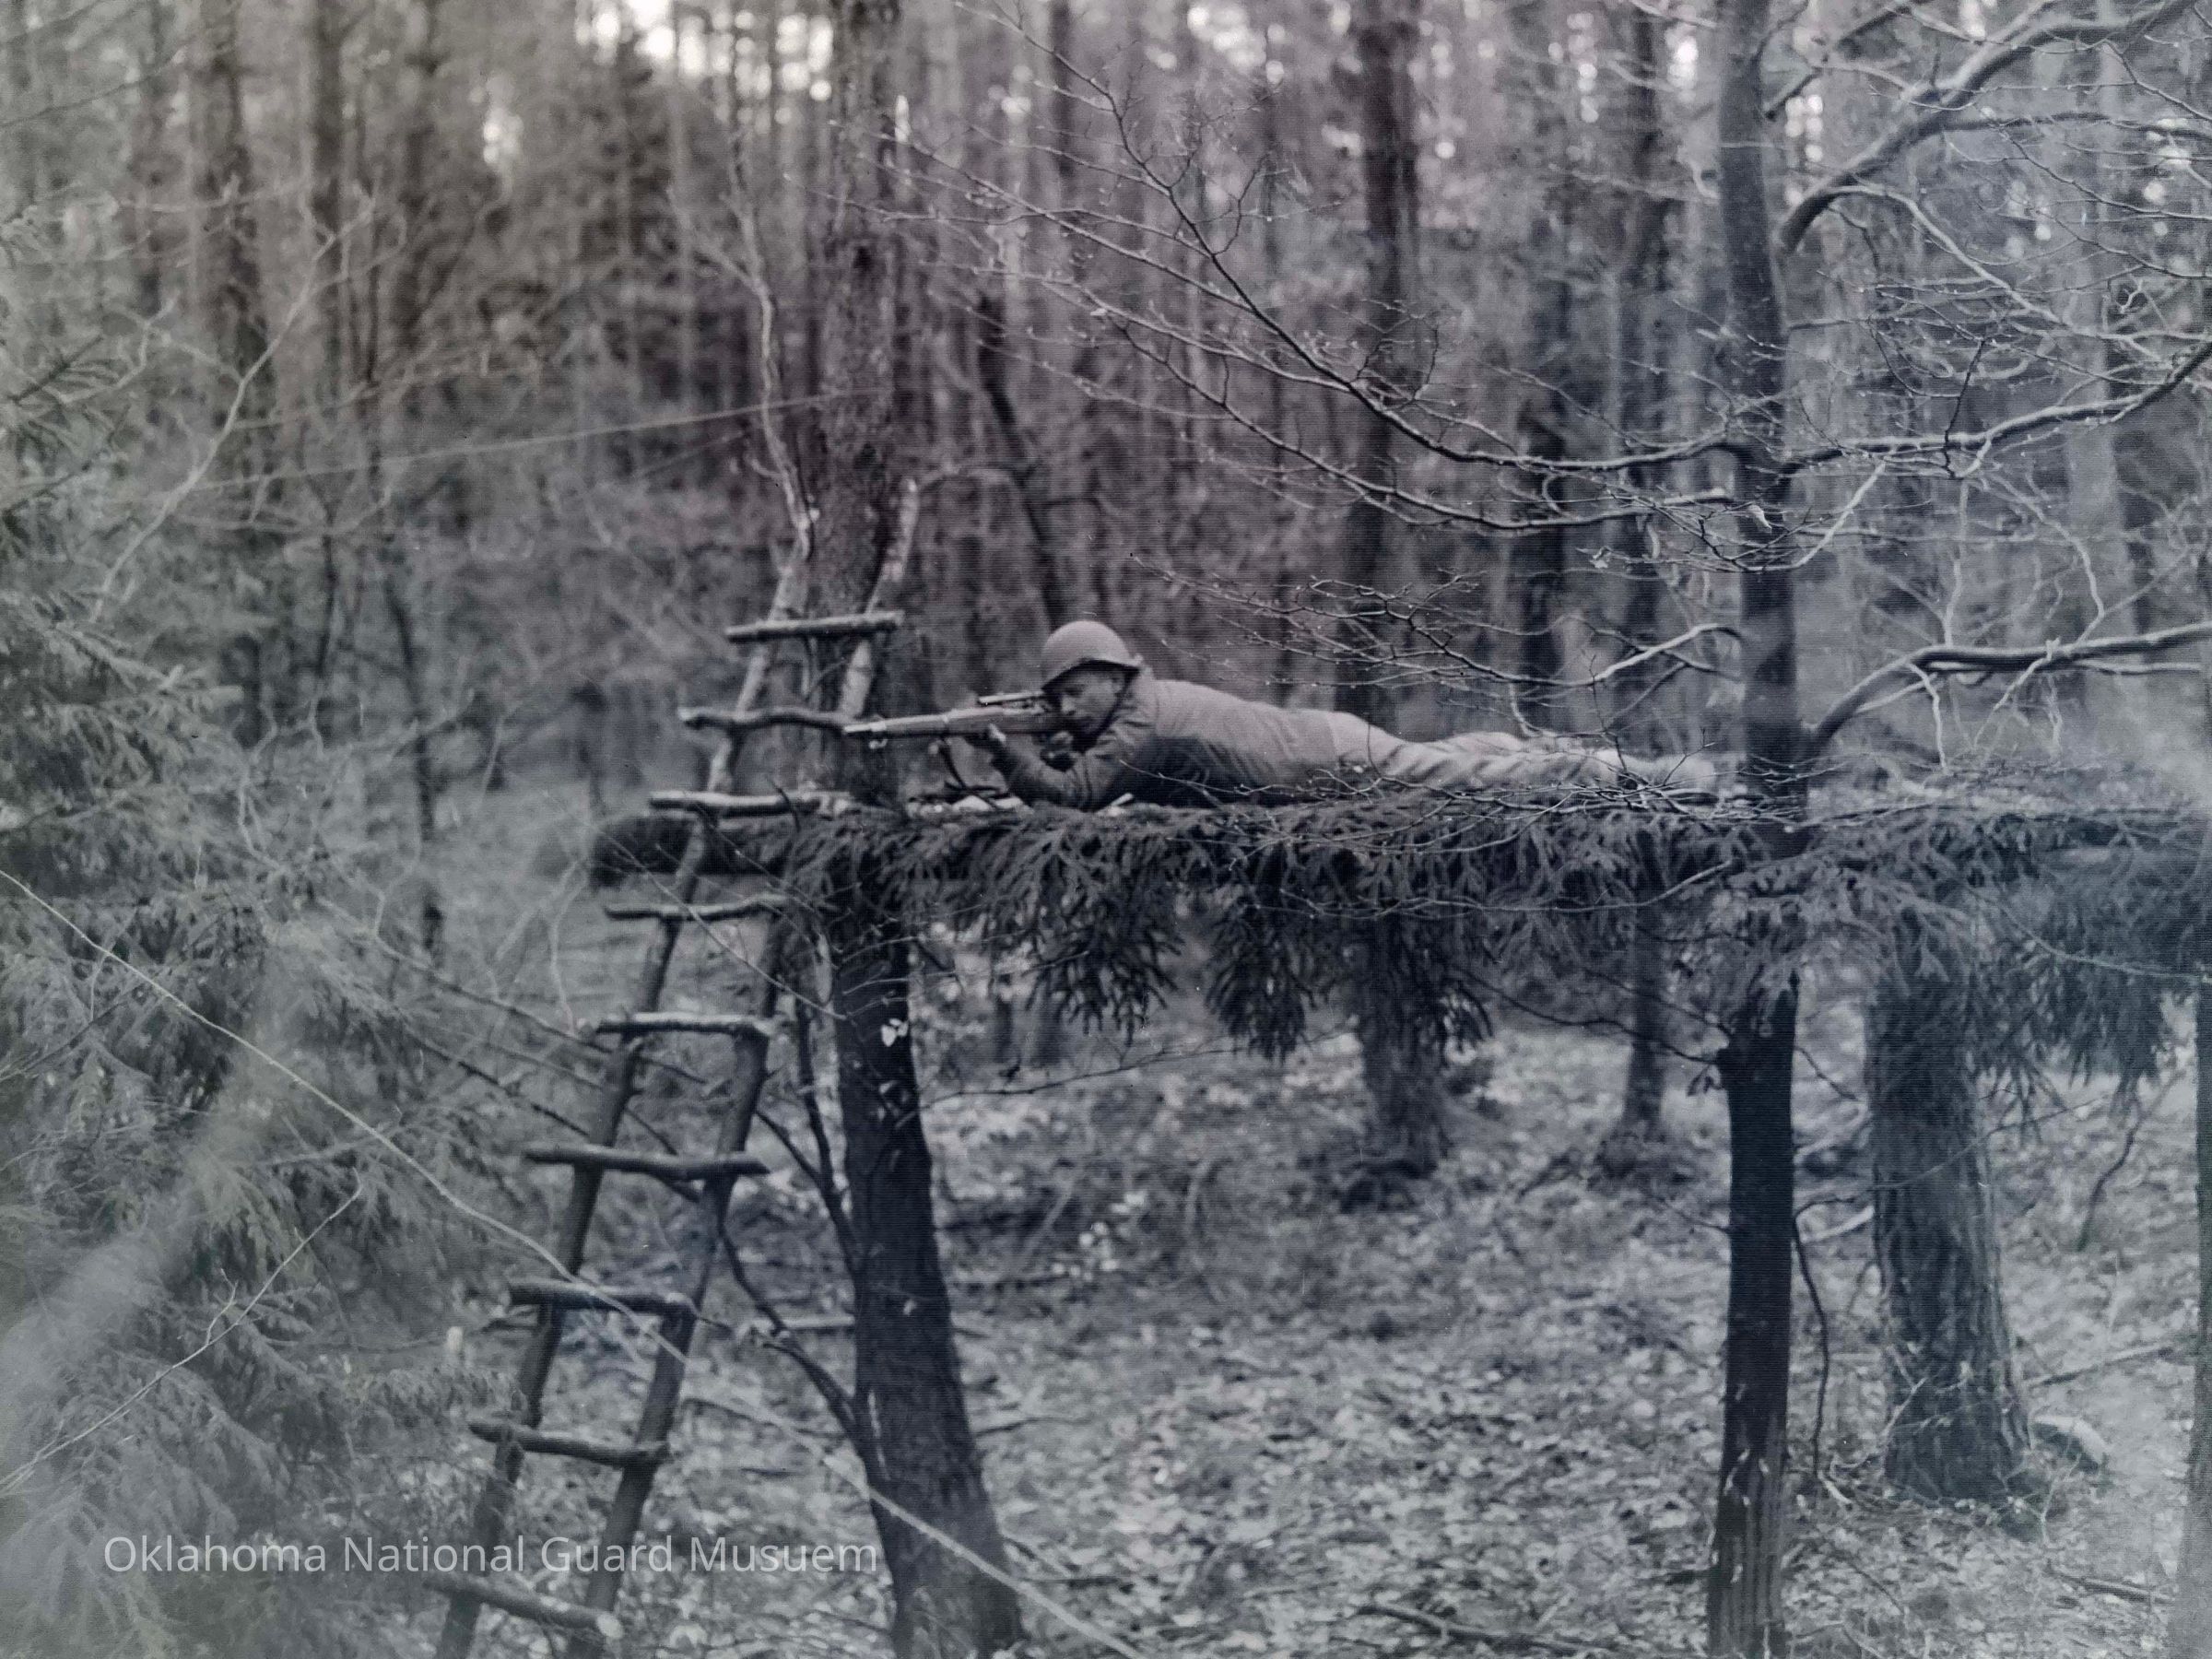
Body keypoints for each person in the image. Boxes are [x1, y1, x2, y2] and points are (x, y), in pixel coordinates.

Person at [964, 619, 1714, 810]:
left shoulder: (1141, 727)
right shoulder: (1141, 704)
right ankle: (1519, 744)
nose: (1067, 708)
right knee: (1454, 760)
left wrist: (1003, 753)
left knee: (1472, 782)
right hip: (1325, 743)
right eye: (1058, 700)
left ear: (1110, 678)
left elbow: (1081, 797)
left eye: (1074, 693)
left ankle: (1635, 773)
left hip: (1330, 765)